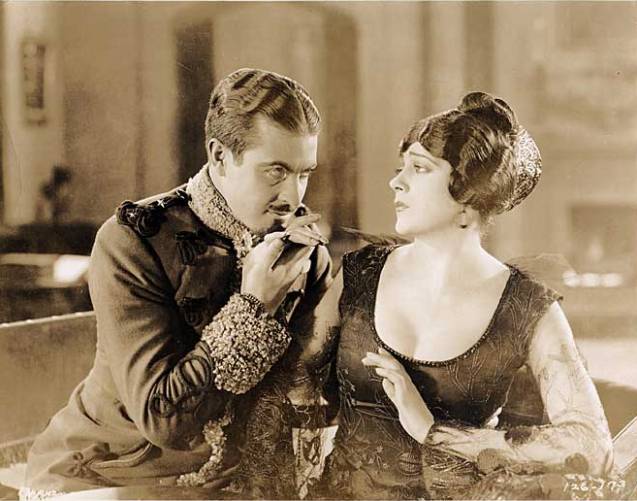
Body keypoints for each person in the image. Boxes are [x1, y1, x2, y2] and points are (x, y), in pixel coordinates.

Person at [23, 68, 332, 500]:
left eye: (304, 173)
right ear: (219, 156)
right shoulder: (133, 241)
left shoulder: (304, 253)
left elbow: (301, 395)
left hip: (229, 486)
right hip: (110, 475)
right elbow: (163, 419)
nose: (293, 197)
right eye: (275, 172)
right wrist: (254, 306)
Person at [300, 92, 624, 499]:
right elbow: (292, 388)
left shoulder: (526, 307)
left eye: (419, 168)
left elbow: (592, 448)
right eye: (401, 167)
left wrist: (434, 432)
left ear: (468, 198)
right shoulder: (358, 274)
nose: (396, 181)